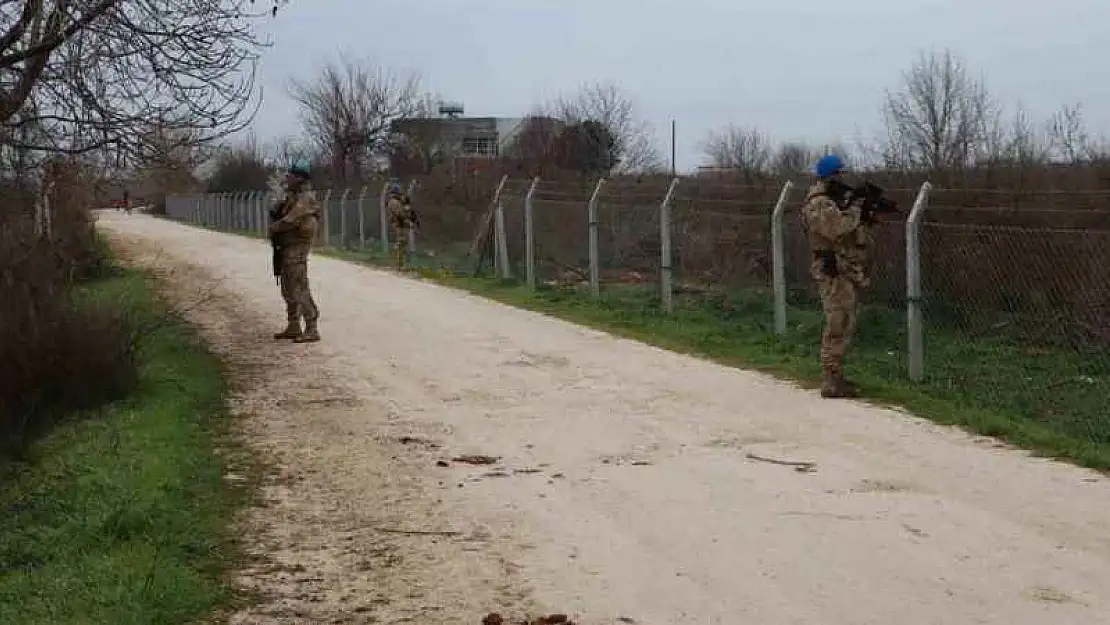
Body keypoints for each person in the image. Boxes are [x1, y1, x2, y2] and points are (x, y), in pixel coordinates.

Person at [800, 154, 877, 398]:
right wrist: (856, 210)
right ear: (829, 176)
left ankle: (835, 375)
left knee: (845, 319)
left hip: (841, 266)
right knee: (838, 320)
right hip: (831, 269)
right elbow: (836, 229)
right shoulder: (820, 202)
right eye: (839, 174)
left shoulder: (832, 201)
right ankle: (831, 378)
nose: (842, 178)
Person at [269, 160, 321, 343]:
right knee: (288, 287)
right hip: (287, 245)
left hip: (297, 246)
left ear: (300, 178)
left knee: (299, 286)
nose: (288, 177)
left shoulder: (306, 197)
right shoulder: (292, 195)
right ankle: (293, 325)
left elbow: (291, 219)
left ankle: (311, 327)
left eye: (291, 175)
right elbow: (279, 211)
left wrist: (275, 227)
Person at [387, 183, 418, 269]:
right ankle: (398, 264)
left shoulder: (398, 201)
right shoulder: (393, 202)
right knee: (401, 243)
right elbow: (399, 214)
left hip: (402, 224)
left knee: (403, 243)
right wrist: (406, 211)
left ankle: (400, 263)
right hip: (398, 224)